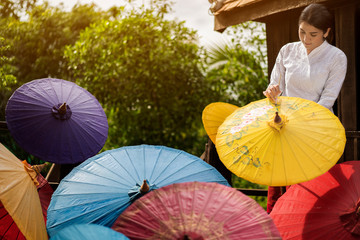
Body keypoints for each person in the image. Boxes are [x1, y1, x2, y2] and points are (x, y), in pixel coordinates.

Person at [263, 3, 347, 213]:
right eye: (302, 32)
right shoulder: (287, 51)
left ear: (327, 32)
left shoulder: (336, 57)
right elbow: (275, 87)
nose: (306, 39)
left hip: (316, 131)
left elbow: (327, 99)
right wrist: (272, 92)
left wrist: (303, 123)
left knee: (305, 195)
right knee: (277, 190)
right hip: (284, 127)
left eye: (313, 34)